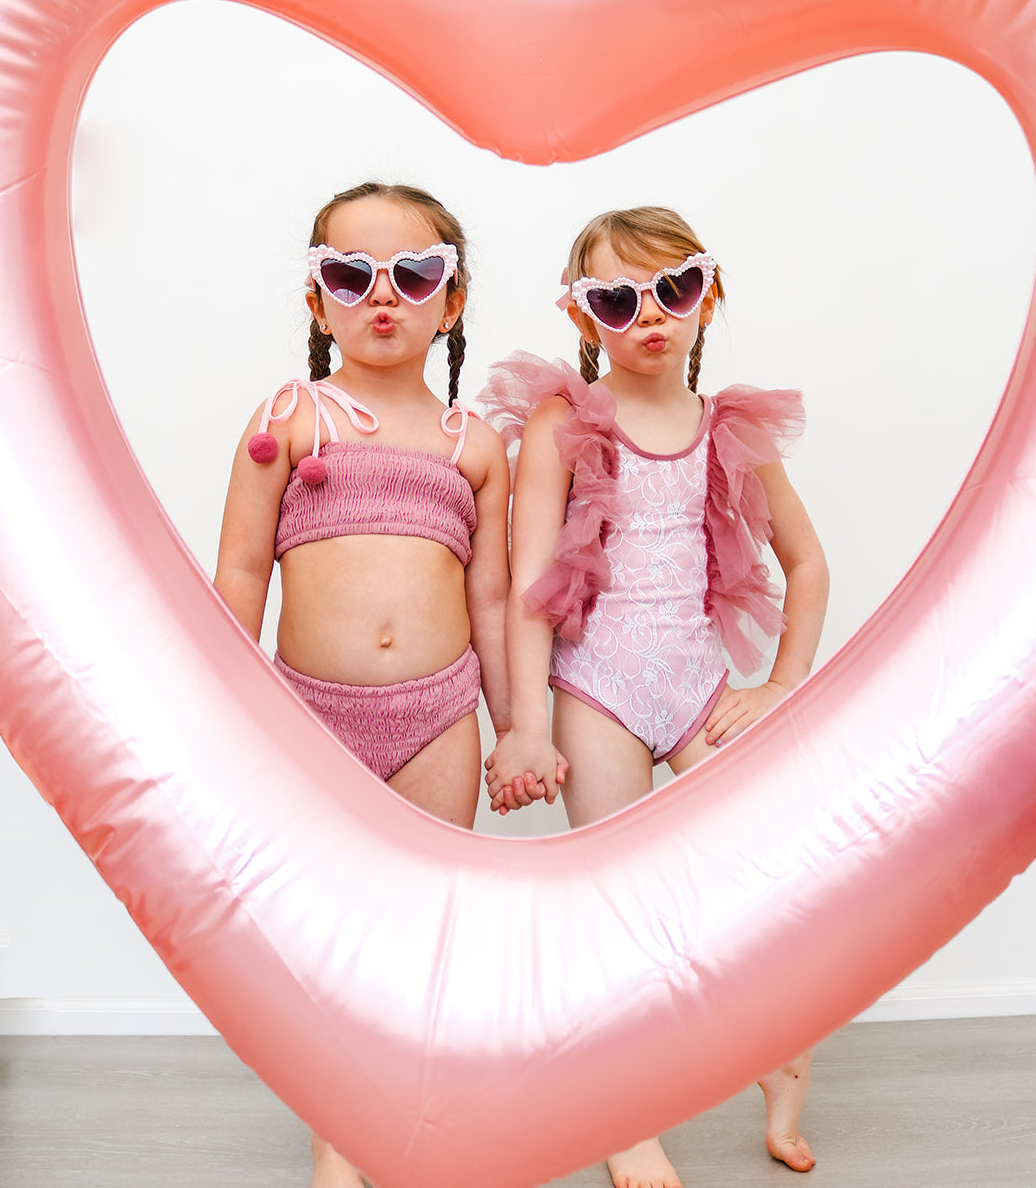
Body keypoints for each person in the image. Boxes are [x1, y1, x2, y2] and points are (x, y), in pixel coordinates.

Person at [481, 206, 828, 1188]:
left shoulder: (729, 427)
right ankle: (625, 1115)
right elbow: (526, 581)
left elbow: (804, 564)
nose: (648, 314)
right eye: (615, 297)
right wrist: (525, 727)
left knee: (764, 885)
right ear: (581, 314)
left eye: (672, 289)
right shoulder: (561, 422)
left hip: (694, 681)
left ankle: (778, 1054)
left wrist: (778, 686)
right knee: (618, 902)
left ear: (706, 293)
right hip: (596, 689)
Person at [214, 181, 511, 1188]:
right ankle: (338, 1140)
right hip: (308, 716)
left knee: (428, 930)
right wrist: (229, 708)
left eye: (412, 274)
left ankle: (418, 1124)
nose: (381, 296)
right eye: (350, 274)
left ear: (450, 299)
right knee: (331, 940)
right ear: (315, 299)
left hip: (438, 715)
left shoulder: (473, 441)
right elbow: (243, 570)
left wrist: (512, 726)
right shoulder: (288, 418)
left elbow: (493, 591)